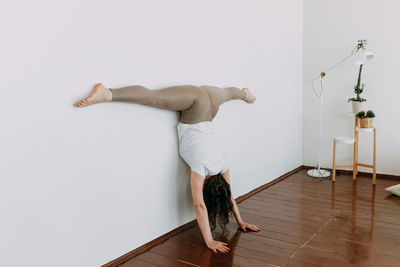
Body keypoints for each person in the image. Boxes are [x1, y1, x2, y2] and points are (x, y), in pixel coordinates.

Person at [74, 83, 261, 253]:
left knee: (228, 93)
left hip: (211, 106)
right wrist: (209, 240)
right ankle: (108, 94)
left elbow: (229, 194)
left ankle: (245, 94)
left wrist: (241, 221)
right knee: (155, 98)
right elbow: (199, 206)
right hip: (197, 105)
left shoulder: (223, 163)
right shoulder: (200, 167)